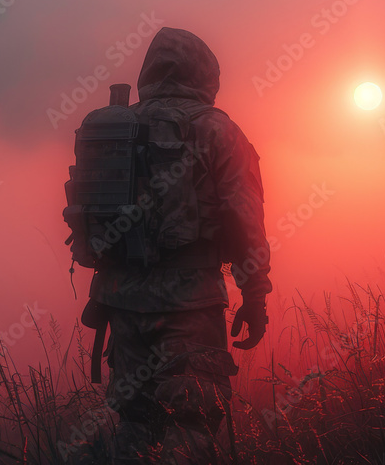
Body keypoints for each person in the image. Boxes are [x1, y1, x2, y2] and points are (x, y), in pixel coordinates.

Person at [88, 27, 272, 464]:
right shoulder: (218, 129)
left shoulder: (117, 125)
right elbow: (245, 220)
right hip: (190, 304)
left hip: (122, 301)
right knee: (193, 422)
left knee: (136, 421)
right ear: (206, 73)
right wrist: (255, 295)